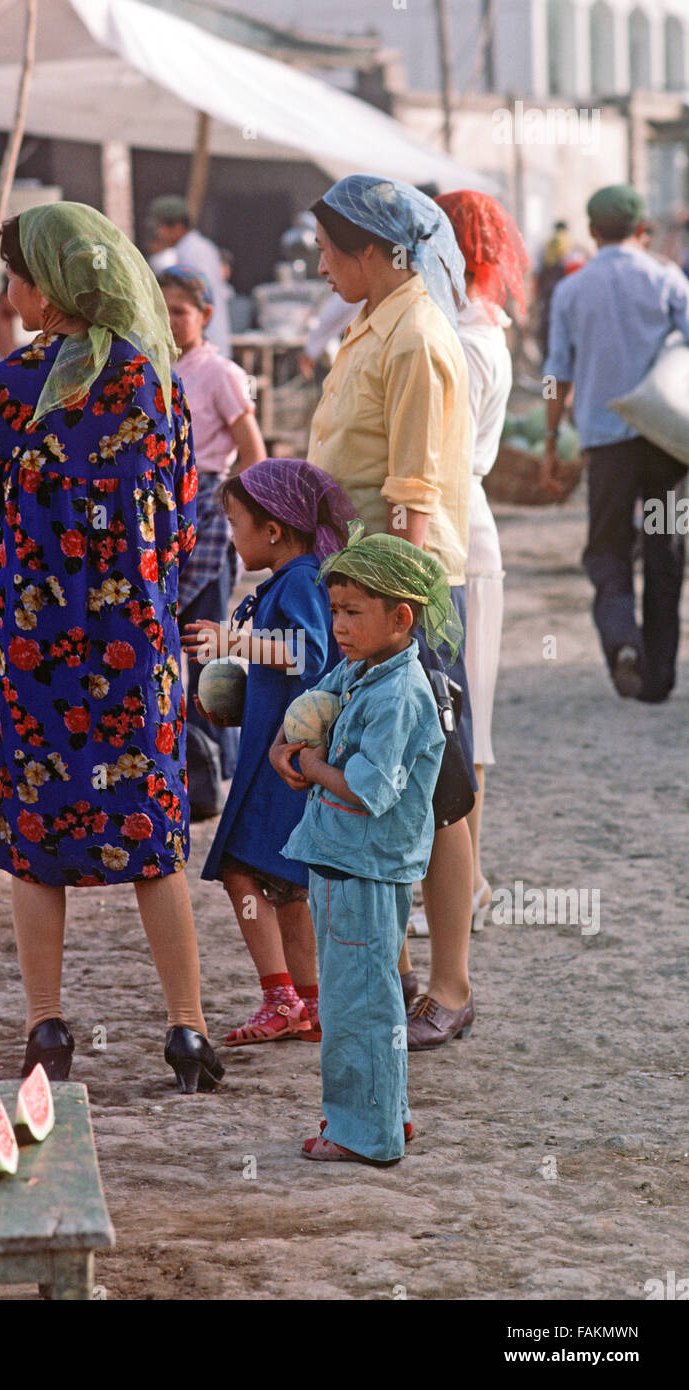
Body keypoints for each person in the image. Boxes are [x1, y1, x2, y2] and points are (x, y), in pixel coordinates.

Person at [0, 201, 224, 1096]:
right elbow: (181, 525)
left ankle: (47, 1030)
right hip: (133, 646)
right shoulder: (153, 383)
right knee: (153, 836)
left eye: (17, 277)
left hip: (32, 646)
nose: (10, 293)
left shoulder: (1, 389)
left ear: (53, 290)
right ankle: (186, 1032)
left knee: (37, 837)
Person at [306, 174, 476, 1051]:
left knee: (441, 790)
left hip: (406, 596)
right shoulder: (372, 324)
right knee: (375, 776)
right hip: (366, 595)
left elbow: (411, 499)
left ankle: (449, 983)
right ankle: (398, 970)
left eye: (331, 250)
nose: (322, 264)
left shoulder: (413, 338)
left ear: (372, 250)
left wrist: (396, 623)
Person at [271, 533, 451, 1164]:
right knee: (366, 999)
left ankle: (362, 1134)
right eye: (336, 610)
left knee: (358, 1009)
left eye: (353, 613)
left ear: (401, 618)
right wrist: (283, 751)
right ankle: (387, 1117)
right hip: (341, 862)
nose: (338, 625)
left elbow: (365, 792)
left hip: (365, 870)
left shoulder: (399, 694)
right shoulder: (361, 671)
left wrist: (315, 767)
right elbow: (308, 716)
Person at [182, 460, 355, 1046]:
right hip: (275, 756)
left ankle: (280, 998)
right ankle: (309, 1004)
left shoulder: (303, 581)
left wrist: (232, 641)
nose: (231, 536)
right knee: (287, 883)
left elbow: (306, 653)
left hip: (281, 765)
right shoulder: (287, 582)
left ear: (274, 530)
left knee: (239, 870)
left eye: (235, 524)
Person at [543, 184, 689, 704]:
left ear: (591, 229)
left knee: (607, 550)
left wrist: (550, 441)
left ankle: (622, 640)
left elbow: (557, 374)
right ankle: (659, 679)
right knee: (664, 551)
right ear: (641, 228)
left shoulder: (572, 289)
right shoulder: (667, 277)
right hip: (665, 445)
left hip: (606, 447)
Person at [434, 190, 530, 927]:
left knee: (458, 723)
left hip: (455, 529)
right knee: (467, 719)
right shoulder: (483, 327)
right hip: (469, 525)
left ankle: (461, 884)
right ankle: (465, 879)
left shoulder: (461, 337)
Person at [158, 266, 266, 782]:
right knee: (167, 644)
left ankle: (213, 772)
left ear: (205, 315)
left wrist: (230, 511)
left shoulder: (219, 372)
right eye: (164, 310)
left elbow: (254, 453)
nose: (172, 320)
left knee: (205, 648)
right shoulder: (151, 367)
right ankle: (180, 765)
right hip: (161, 516)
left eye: (181, 311)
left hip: (205, 514)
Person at [146, 195, 232, 357]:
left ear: (177, 226)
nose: (159, 233)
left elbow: (198, 299)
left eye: (160, 227)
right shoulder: (189, 249)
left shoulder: (195, 252)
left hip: (206, 337)